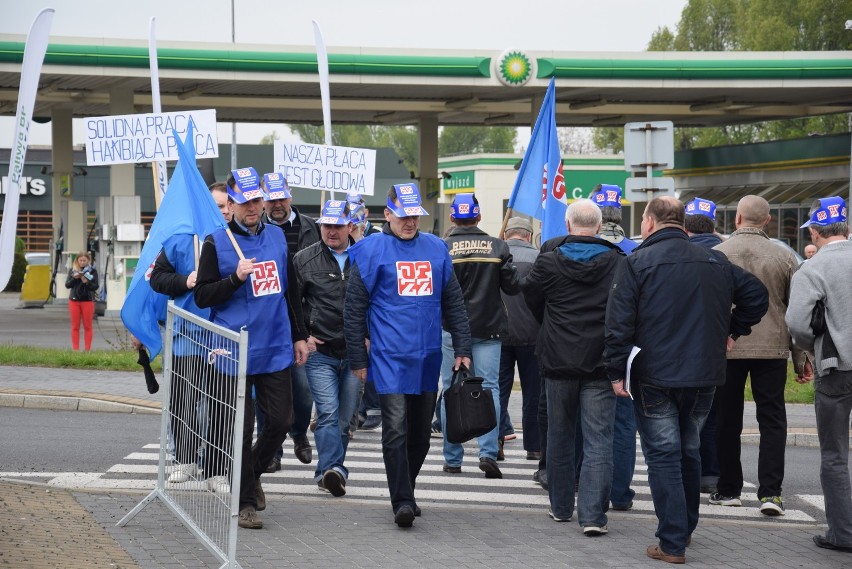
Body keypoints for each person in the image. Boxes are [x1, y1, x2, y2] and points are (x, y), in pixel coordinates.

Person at [605, 196, 768, 564]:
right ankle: (684, 528)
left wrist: (615, 371)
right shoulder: (715, 260)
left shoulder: (637, 262)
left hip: (654, 375)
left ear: (649, 222)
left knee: (663, 455)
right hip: (703, 373)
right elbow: (756, 296)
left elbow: (618, 324)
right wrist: (732, 330)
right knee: (688, 450)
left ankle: (673, 540)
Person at [344, 183, 471, 528]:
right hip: (389, 358)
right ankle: (401, 500)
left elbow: (454, 302)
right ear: (387, 214)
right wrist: (358, 358)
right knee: (396, 430)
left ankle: (408, 490)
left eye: (415, 215)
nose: (410, 221)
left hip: (427, 357)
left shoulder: (436, 248)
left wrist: (462, 348)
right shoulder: (371, 250)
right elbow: (354, 308)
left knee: (418, 435)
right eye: (403, 215)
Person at [194, 167, 309, 530]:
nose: (253, 208)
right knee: (239, 431)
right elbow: (202, 295)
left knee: (281, 422)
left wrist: (300, 335)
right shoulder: (216, 241)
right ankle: (245, 504)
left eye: (256, 200)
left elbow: (291, 292)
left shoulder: (276, 238)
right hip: (232, 348)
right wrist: (235, 278)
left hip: (274, 344)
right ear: (230, 204)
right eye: (244, 203)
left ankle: (253, 473)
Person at [523, 199, 625, 535]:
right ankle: (594, 517)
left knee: (560, 436)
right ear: (598, 227)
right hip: (600, 362)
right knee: (598, 440)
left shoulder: (549, 261)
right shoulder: (617, 262)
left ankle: (562, 507)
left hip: (557, 360)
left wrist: (551, 324)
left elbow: (532, 298)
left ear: (568, 225)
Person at [711, 195, 805, 516]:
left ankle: (728, 490)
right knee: (773, 420)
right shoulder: (785, 257)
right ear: (767, 221)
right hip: (772, 349)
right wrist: (800, 359)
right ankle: (771, 493)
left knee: (726, 420)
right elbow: (796, 311)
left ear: (737, 218)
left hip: (728, 349)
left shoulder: (717, 255)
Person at [150, 182, 233, 490]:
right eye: (216, 206)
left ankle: (216, 470)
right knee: (183, 401)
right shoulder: (181, 240)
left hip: (224, 336)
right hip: (187, 335)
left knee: (221, 405)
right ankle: (184, 460)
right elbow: (158, 279)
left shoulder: (237, 242)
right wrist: (186, 279)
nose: (222, 211)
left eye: (226, 205)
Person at [785, 196, 852, 553]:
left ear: (814, 230)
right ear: (847, 228)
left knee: (835, 453)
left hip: (835, 366)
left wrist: (810, 346)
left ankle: (842, 533)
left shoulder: (811, 269)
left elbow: (797, 324)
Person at [440, 193, 519, 479]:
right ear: (479, 216)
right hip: (489, 327)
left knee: (451, 389)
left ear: (452, 218)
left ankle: (452, 457)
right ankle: (488, 451)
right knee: (490, 389)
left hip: (451, 328)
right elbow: (512, 286)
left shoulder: (441, 247)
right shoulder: (497, 246)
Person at [293, 200, 361, 497]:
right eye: (326, 225)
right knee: (329, 413)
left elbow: (378, 299)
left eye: (337, 225)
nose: (331, 231)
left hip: (356, 353)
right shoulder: (304, 259)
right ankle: (333, 469)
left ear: (351, 226)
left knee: (345, 420)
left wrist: (370, 336)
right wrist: (304, 335)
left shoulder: (366, 256)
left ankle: (330, 471)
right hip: (320, 353)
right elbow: (293, 304)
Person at [259, 172, 319, 470]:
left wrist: (310, 327)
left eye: (281, 198)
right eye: (271, 199)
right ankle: (272, 452)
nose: (277, 204)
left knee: (303, 388)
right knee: (266, 392)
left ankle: (298, 434)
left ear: (290, 196)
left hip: (301, 319)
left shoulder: (311, 227)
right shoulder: (255, 230)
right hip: (268, 322)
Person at [590, 184, 639, 512]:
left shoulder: (580, 246)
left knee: (587, 421)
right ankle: (619, 493)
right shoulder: (636, 250)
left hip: (584, 347)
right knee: (623, 423)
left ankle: (587, 487)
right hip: (625, 349)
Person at [683, 197, 723, 495]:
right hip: (720, 345)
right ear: (715, 223)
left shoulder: (683, 253)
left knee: (688, 417)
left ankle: (691, 474)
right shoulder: (724, 254)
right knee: (713, 414)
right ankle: (712, 473)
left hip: (684, 348)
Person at [498, 216, 541, 462]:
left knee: (498, 392)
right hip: (532, 334)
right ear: (527, 235)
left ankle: (497, 441)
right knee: (533, 393)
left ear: (507, 234)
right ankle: (534, 447)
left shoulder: (496, 255)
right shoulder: (538, 258)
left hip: (500, 333)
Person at [347, 191, 383, 431]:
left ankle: (373, 407)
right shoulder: (343, 235)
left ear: (366, 212)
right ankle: (355, 412)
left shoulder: (376, 235)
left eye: (358, 210)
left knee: (370, 360)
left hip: (374, 309)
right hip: (353, 306)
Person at [65, 251, 98, 351]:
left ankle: (87, 349)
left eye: (84, 260)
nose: (82, 262)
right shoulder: (72, 270)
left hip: (87, 301)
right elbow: (67, 285)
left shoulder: (92, 271)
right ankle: (75, 349)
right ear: (77, 261)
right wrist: (75, 278)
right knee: (75, 326)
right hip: (74, 301)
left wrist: (87, 282)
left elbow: (95, 286)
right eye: (81, 260)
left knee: (88, 326)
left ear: (88, 261)